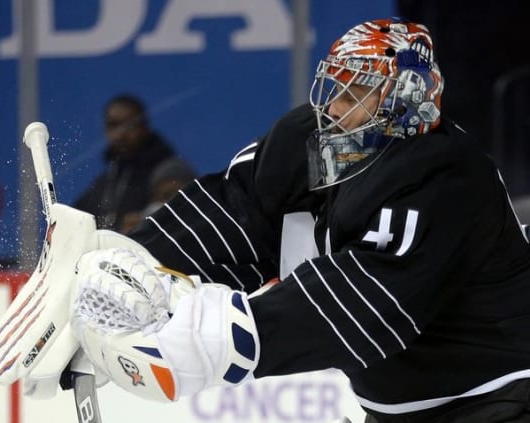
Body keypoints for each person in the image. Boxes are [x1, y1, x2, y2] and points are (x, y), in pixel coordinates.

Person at [69, 17, 530, 422]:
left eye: (357, 91)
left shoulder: (446, 172)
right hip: (396, 412)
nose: (334, 108)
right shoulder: (312, 141)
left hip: (501, 401)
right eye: (337, 86)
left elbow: (367, 302)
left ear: (407, 100)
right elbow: (236, 208)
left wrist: (215, 338)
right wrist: (125, 260)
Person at [74, 94, 187, 234]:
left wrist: (146, 221)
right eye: (113, 125)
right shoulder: (105, 182)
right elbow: (73, 222)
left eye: (129, 125)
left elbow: (178, 216)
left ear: (145, 127)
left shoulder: (170, 171)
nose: (121, 134)